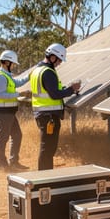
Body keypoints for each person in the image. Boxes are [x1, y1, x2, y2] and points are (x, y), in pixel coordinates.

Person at [29, 43, 81, 171]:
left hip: (42, 114)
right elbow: (55, 94)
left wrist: (66, 89)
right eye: (59, 60)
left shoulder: (37, 70)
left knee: (47, 147)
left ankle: (46, 175)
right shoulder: (48, 72)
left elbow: (50, 91)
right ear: (52, 57)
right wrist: (71, 90)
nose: (59, 63)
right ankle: (45, 176)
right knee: (48, 148)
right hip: (49, 116)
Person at [0, 50, 28, 170]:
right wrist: (19, 94)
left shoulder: (7, 75)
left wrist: (29, 77)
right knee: (3, 137)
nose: (13, 66)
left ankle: (14, 162)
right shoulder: (1, 77)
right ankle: (2, 165)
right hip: (3, 112)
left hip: (9, 111)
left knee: (17, 135)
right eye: (13, 63)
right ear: (7, 62)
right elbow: (0, 95)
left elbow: (17, 83)